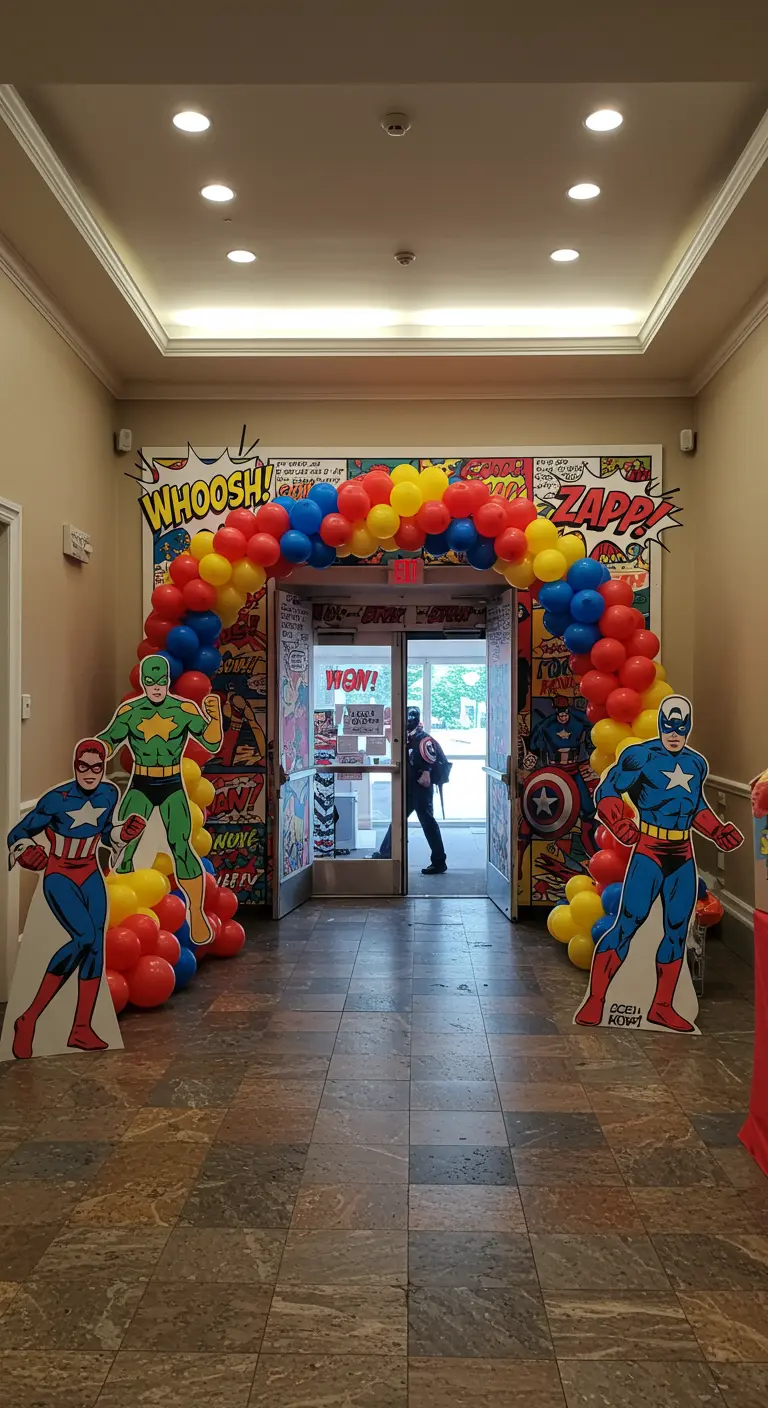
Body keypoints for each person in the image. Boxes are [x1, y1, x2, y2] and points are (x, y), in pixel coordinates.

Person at [575, 695, 742, 1031]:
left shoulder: (696, 764)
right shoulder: (641, 756)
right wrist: (619, 823)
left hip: (682, 854)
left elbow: (696, 807)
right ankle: (596, 1001)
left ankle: (661, 1007)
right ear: (662, 722)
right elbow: (607, 791)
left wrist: (717, 831)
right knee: (627, 923)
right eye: (670, 724)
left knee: (677, 931)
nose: (675, 731)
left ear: (689, 726)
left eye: (682, 726)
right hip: (649, 850)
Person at [6, 739, 145, 1058]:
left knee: (95, 945)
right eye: (84, 766)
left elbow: (108, 832)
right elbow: (19, 833)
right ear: (75, 765)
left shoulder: (110, 793)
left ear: (103, 767)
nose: (90, 773)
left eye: (97, 767)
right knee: (83, 937)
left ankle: (81, 1028)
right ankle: (28, 1018)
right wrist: (27, 851)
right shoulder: (56, 799)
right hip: (60, 875)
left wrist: (125, 833)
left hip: (91, 872)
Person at [97, 654, 222, 944]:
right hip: (140, 782)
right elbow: (108, 741)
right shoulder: (131, 711)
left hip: (171, 783)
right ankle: (122, 914)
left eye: (160, 681)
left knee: (181, 845)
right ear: (143, 682)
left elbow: (212, 742)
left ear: (167, 681)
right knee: (124, 845)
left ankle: (196, 912)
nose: (155, 687)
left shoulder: (183, 709)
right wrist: (92, 752)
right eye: (149, 681)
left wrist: (214, 718)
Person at [374, 706, 447, 875]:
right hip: (411, 787)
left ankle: (439, 861)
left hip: (420, 789)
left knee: (427, 823)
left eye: (409, 717)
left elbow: (428, 759)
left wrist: (426, 772)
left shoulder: (422, 739)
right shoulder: (409, 737)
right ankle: (386, 853)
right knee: (399, 819)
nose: (406, 721)